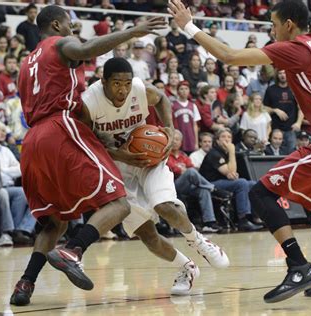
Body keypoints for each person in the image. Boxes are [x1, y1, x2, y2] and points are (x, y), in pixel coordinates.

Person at [168, 0, 311, 303]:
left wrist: (188, 25)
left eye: (274, 25)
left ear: (289, 25)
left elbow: (230, 55)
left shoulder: (296, 47)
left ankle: (298, 266)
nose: (272, 31)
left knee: (259, 193)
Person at [10, 5, 166, 306]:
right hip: (59, 128)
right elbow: (86, 48)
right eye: (70, 24)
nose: (73, 30)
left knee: (53, 222)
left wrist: (95, 131)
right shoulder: (58, 43)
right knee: (119, 203)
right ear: (56, 25)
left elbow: (61, 101)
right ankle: (74, 250)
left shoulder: (27, 62)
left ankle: (25, 283)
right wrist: (134, 31)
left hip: (32, 142)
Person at [81, 57, 229, 295]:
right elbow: (86, 143)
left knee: (164, 205)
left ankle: (199, 242)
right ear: (104, 81)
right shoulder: (89, 102)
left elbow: (160, 99)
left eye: (127, 83)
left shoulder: (139, 89)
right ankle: (187, 267)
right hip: (117, 168)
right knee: (147, 234)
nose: (123, 89)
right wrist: (121, 155)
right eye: (117, 83)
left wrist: (169, 127)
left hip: (148, 157)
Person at [200, 129, 263, 231]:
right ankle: (243, 220)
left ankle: (254, 216)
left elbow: (232, 173)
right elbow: (230, 171)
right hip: (210, 184)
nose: (227, 139)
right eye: (223, 137)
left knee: (252, 184)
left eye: (229, 137)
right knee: (242, 183)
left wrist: (232, 173)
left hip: (223, 182)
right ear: (217, 141)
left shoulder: (226, 153)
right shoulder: (214, 153)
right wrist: (232, 152)